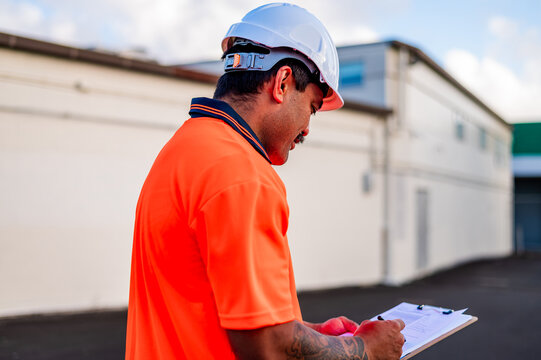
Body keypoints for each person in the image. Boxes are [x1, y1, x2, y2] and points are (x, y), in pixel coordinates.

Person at [125, 3, 405, 359]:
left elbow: (217, 316)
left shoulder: (183, 149)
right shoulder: (242, 175)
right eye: (312, 107)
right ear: (283, 83)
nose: (306, 128)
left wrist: (314, 335)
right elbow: (266, 345)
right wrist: (365, 350)